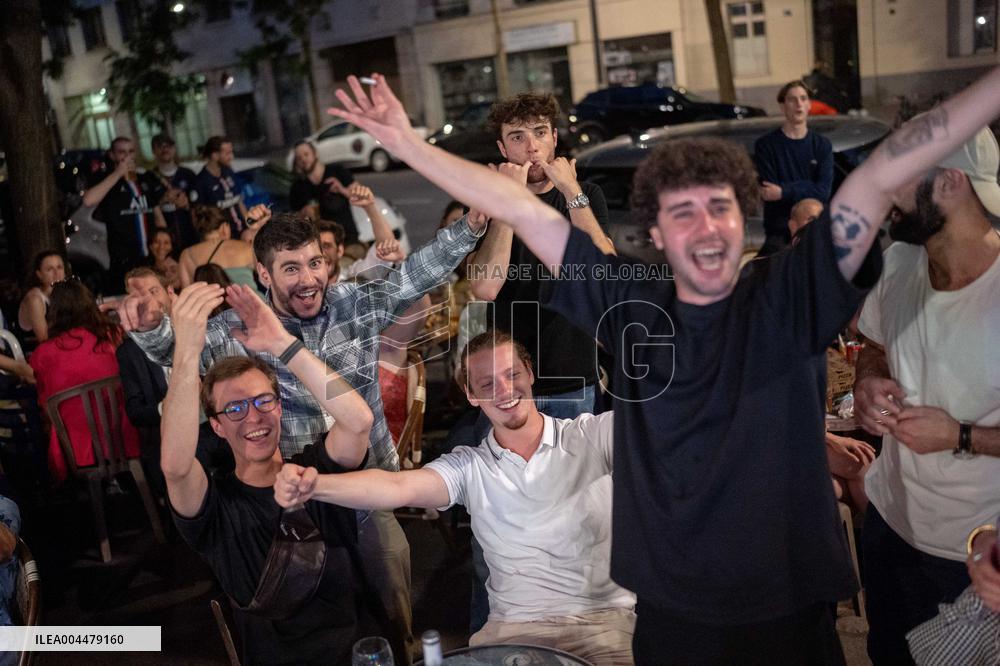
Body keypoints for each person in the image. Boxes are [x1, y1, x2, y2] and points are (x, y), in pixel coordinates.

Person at [331, 67, 1000, 662]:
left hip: (790, 606)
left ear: (744, 221)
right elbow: (515, 208)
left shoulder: (793, 291)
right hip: (673, 613)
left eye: (719, 209)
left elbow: (881, 175)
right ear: (654, 234)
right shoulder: (627, 299)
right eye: (682, 214)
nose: (704, 227)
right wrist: (407, 144)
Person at [118, 209, 489, 664]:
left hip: (366, 493)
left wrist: (471, 226)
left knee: (392, 613)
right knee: (309, 621)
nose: (309, 278)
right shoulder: (237, 328)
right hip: (294, 506)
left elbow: (417, 274)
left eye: (315, 263)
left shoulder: (355, 302)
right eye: (291, 268)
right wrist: (150, 328)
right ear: (264, 274)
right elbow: (177, 352)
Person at [276, 330, 636, 664]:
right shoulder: (470, 465)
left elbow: (657, 426)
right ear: (471, 395)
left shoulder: (591, 435)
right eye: (487, 384)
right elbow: (397, 487)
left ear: (529, 374)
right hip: (514, 634)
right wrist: (315, 485)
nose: (504, 390)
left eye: (512, 375)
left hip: (603, 625)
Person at [162, 282, 377, 665]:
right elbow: (176, 467)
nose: (254, 417)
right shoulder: (217, 507)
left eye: (263, 401)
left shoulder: (315, 471)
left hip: (356, 653)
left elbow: (359, 422)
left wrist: (282, 344)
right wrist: (187, 351)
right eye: (235, 409)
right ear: (216, 426)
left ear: (279, 408)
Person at [852, 125, 1000, 664]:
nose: (884, 189)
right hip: (890, 526)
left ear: (951, 181)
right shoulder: (898, 263)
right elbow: (873, 344)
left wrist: (960, 435)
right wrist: (868, 380)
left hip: (974, 556)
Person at [468, 92, 614, 420]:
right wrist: (509, 200)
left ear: (555, 139)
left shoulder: (586, 195)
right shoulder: (486, 202)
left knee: (578, 457)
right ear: (503, 149)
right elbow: (485, 287)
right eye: (517, 137)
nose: (532, 147)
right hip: (508, 382)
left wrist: (571, 191)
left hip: (573, 377)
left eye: (540, 132)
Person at [29, 279, 140, 484]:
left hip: (80, 450)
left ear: (53, 312)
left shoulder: (43, 353)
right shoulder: (112, 335)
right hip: (127, 437)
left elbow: (45, 404)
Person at [754, 81, 834, 257]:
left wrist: (783, 191)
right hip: (780, 233)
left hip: (815, 231)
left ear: (809, 104)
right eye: (792, 99)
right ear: (783, 106)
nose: (799, 104)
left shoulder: (822, 145)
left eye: (803, 98)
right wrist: (808, 187)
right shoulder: (766, 146)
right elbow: (769, 192)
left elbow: (823, 192)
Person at [82, 136, 164, 291]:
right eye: (122, 152)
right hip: (123, 261)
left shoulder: (145, 179)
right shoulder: (107, 179)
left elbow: (158, 216)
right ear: (112, 155)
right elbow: (88, 200)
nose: (127, 156)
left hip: (151, 258)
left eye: (131, 151)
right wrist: (118, 173)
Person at [179, 205, 265, 291]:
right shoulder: (246, 248)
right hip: (251, 299)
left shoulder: (186, 255)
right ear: (224, 227)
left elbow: (187, 293)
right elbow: (266, 276)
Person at [290, 140, 359, 245]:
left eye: (306, 154)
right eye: (299, 158)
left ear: (315, 154)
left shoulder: (337, 171)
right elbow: (292, 217)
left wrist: (342, 189)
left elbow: (360, 196)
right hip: (321, 244)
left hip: (348, 238)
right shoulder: (298, 186)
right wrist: (302, 213)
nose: (303, 159)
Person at [142, 133, 199, 250]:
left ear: (174, 149)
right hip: (164, 245)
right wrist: (162, 201)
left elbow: (201, 206)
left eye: (168, 146)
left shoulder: (188, 174)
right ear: (153, 151)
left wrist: (186, 204)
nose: (165, 149)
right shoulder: (147, 178)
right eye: (160, 146)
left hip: (191, 238)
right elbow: (145, 211)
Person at [193, 136, 248, 238]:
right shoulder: (201, 182)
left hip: (243, 232)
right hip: (223, 236)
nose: (231, 157)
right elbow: (198, 216)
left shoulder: (228, 171)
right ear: (215, 155)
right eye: (227, 153)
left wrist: (249, 224)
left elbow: (239, 201)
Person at [16, 250, 65, 346]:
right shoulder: (35, 299)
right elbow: (44, 339)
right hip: (33, 351)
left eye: (59, 267)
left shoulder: (64, 294)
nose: (56, 273)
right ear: (39, 274)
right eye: (49, 269)